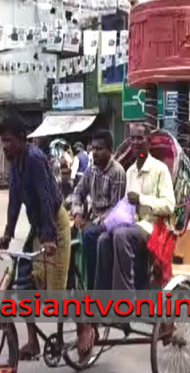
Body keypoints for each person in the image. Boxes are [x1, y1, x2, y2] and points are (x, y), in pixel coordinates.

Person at [0, 114, 71, 361]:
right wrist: (8, 233)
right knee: (24, 279)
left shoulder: (36, 160)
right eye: (2, 141)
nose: (5, 146)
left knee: (56, 292)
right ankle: (32, 341)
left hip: (55, 224)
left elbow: (45, 198)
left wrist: (48, 237)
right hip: (39, 226)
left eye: (9, 141)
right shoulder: (15, 161)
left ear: (22, 139)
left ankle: (83, 326)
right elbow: (14, 199)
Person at [95, 122, 175, 290]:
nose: (136, 143)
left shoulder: (159, 169)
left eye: (140, 138)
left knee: (120, 235)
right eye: (132, 139)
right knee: (103, 239)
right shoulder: (130, 171)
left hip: (152, 228)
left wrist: (142, 199)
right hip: (132, 225)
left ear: (149, 141)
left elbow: (169, 205)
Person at [70, 130, 126, 359]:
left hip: (110, 224)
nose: (94, 153)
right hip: (92, 220)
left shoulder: (118, 172)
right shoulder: (91, 170)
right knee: (68, 236)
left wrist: (93, 222)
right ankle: (74, 284)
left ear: (110, 151)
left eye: (99, 149)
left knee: (93, 237)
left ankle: (92, 290)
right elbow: (78, 192)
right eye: (92, 148)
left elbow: (116, 208)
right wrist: (77, 212)